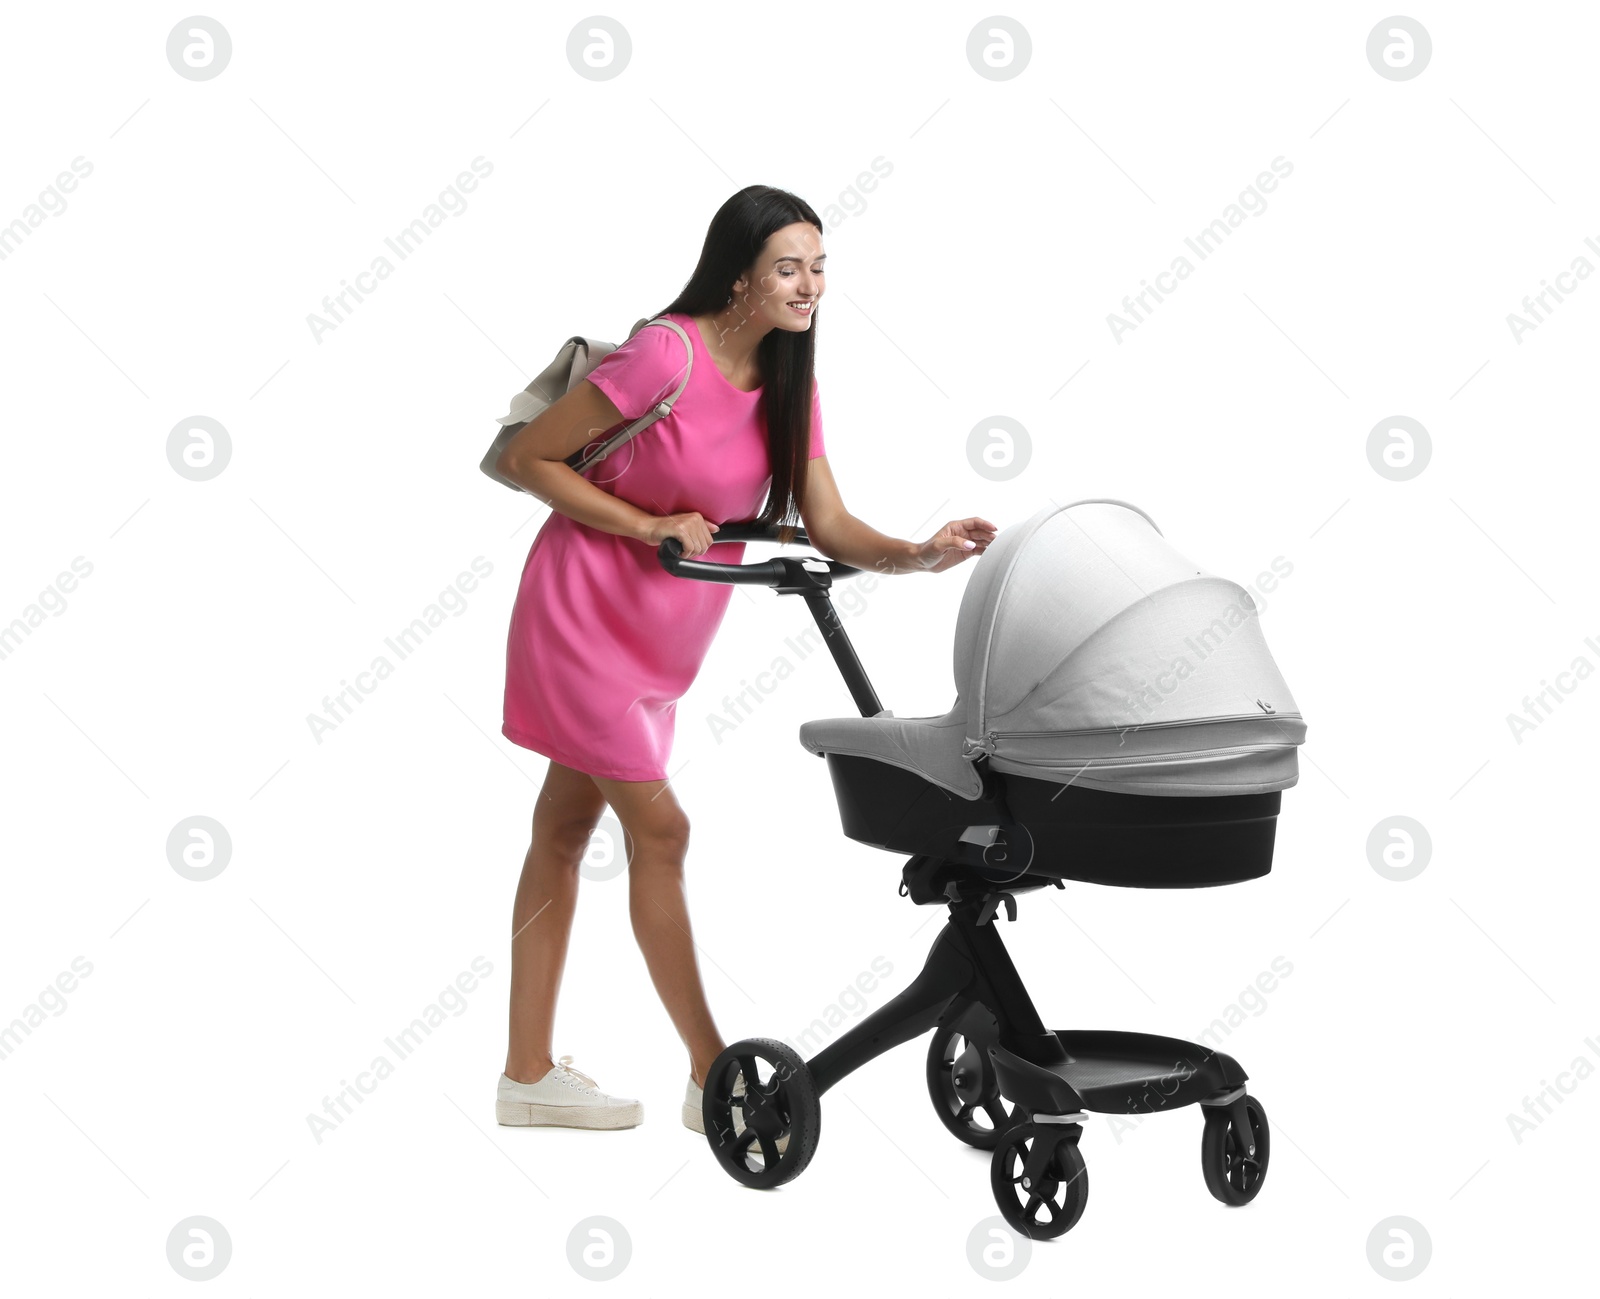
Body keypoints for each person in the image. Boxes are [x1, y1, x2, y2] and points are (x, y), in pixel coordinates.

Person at [490, 184, 997, 1131]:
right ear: (739, 277)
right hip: (580, 614)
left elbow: (831, 522)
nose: (809, 286)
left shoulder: (789, 381)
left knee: (562, 828)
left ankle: (526, 1074)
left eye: (817, 268)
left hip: (659, 641)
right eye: (786, 268)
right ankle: (711, 1072)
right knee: (664, 832)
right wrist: (647, 524)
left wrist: (921, 553)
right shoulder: (665, 355)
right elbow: (532, 459)